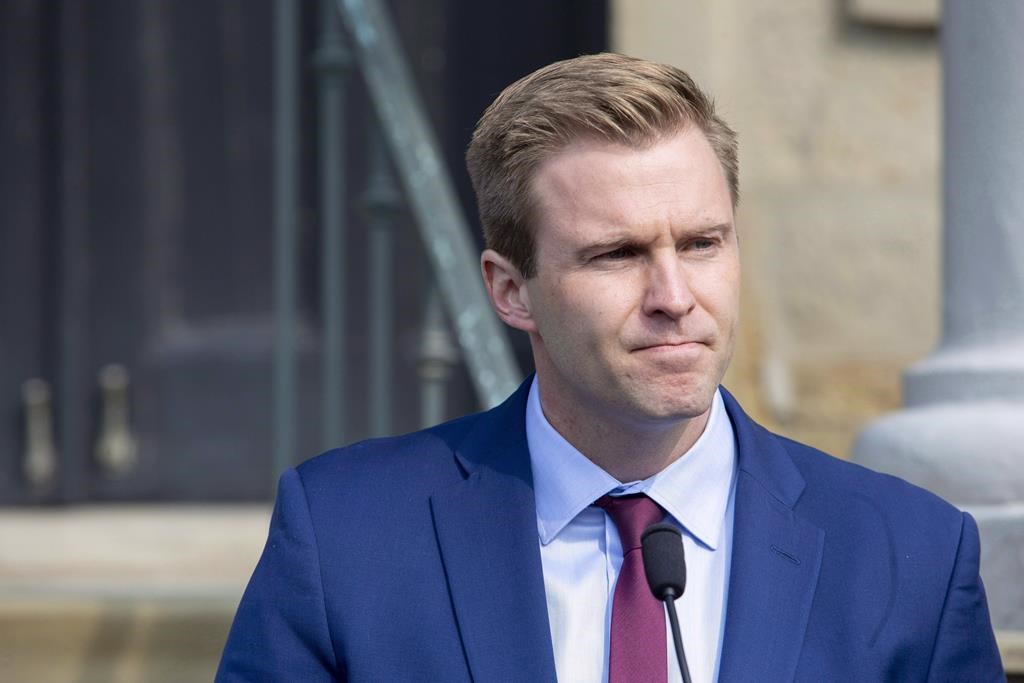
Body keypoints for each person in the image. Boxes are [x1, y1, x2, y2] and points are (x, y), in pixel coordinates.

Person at [217, 53, 1003, 682]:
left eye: (702, 243)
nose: (673, 296)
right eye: (617, 254)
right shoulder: (346, 537)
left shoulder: (912, 558)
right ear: (510, 289)